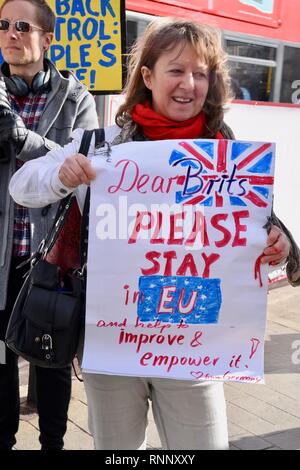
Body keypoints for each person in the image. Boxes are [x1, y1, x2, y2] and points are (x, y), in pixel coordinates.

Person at [9, 17, 297, 450]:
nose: (190, 84)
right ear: (148, 76)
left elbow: (265, 230)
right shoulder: (101, 145)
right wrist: (62, 176)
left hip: (194, 348)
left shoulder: (227, 155)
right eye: (177, 70)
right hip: (113, 346)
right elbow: (22, 186)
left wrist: (278, 246)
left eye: (201, 73)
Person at [0, 0, 98, 450]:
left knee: (53, 363)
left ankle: (54, 444)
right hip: (1, 256)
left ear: (47, 38)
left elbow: (84, 165)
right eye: (3, 25)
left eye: (22, 25)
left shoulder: (75, 97)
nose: (11, 34)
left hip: (50, 257)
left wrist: (18, 135)